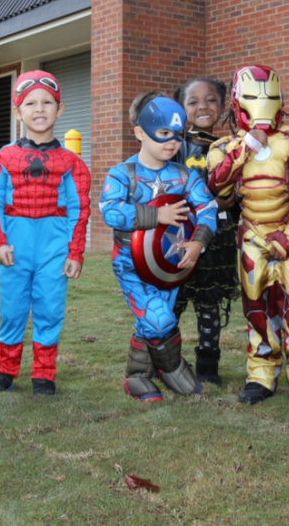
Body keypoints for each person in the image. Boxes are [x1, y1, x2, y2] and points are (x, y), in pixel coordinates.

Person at [207, 66, 289, 406]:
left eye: (269, 96)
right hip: (251, 238)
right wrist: (247, 146)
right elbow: (218, 183)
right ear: (237, 102)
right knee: (256, 309)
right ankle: (261, 373)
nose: (262, 104)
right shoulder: (223, 146)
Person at [0, 70, 91, 396]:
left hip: (55, 244)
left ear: (60, 109)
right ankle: (5, 370)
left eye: (47, 102)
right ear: (18, 111)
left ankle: (44, 373)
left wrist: (75, 251)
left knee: (50, 307)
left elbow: (79, 209)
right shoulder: (2, 159)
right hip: (15, 242)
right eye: (30, 103)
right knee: (12, 308)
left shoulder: (73, 163)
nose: (39, 109)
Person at [101, 92, 217, 401]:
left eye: (177, 135)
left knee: (153, 318)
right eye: (163, 133)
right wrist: (157, 215)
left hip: (170, 265)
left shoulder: (184, 175)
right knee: (159, 318)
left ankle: (137, 376)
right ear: (140, 132)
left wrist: (198, 242)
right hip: (130, 263)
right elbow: (110, 210)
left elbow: (207, 207)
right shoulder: (122, 175)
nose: (172, 142)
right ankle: (173, 368)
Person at [171, 78, 241, 386]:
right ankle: (164, 361)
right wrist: (211, 203)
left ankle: (208, 367)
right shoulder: (173, 148)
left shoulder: (230, 149)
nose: (203, 106)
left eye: (211, 100)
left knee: (209, 305)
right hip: (179, 240)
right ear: (181, 109)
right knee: (171, 304)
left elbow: (236, 198)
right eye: (193, 101)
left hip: (217, 244)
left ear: (223, 106)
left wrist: (230, 202)